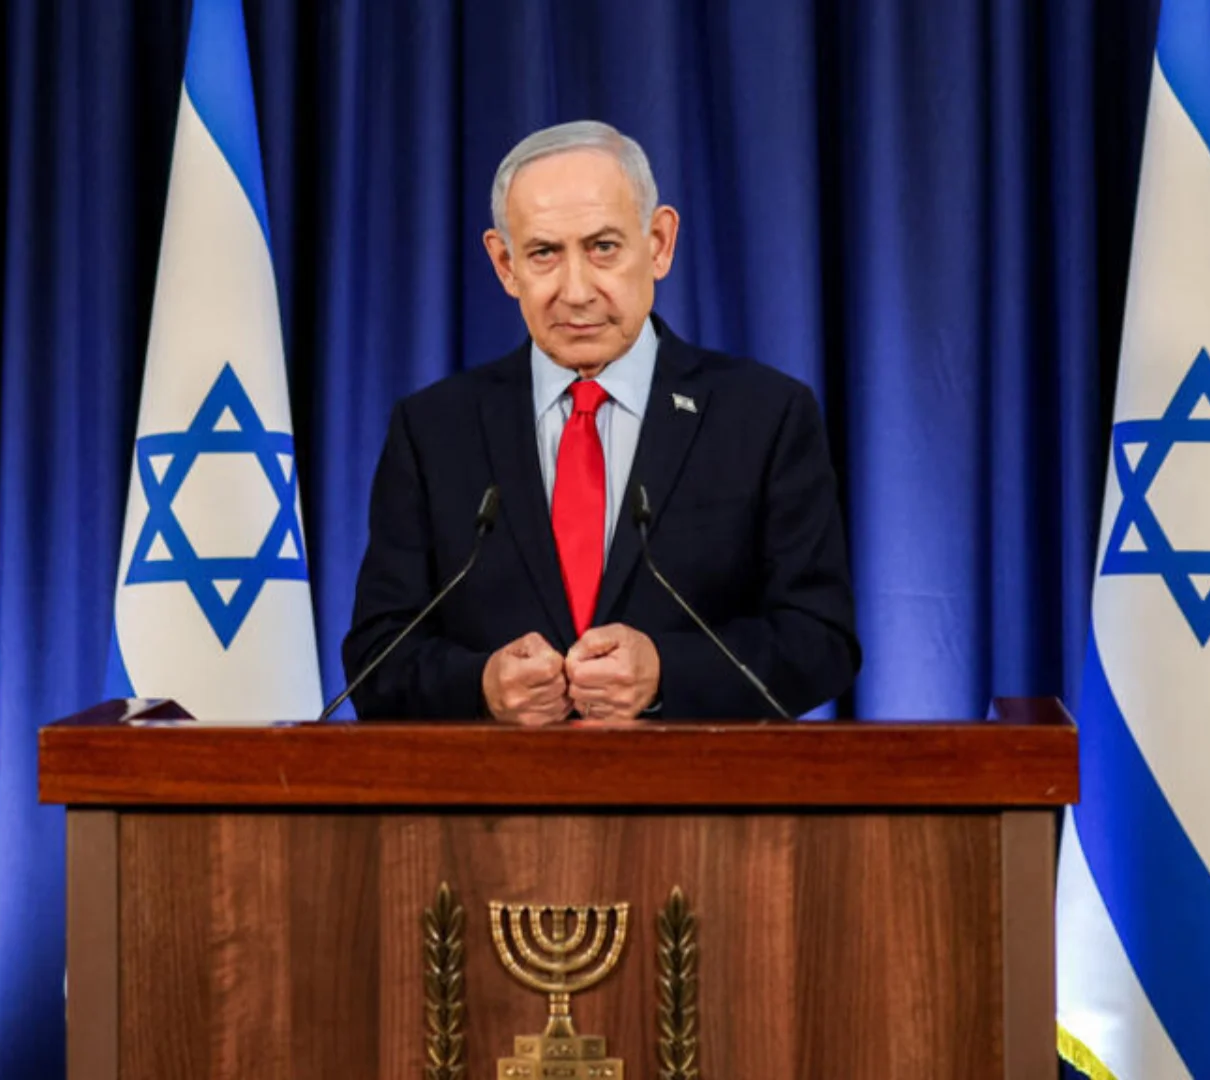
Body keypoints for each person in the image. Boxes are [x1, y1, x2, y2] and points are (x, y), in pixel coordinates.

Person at [342, 120, 859, 723]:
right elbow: (377, 658)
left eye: (603, 247)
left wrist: (666, 670)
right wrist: (480, 684)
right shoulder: (433, 430)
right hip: (491, 807)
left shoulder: (764, 416)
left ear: (660, 243)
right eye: (543, 254)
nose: (577, 290)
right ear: (505, 264)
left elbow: (820, 642)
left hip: (702, 807)